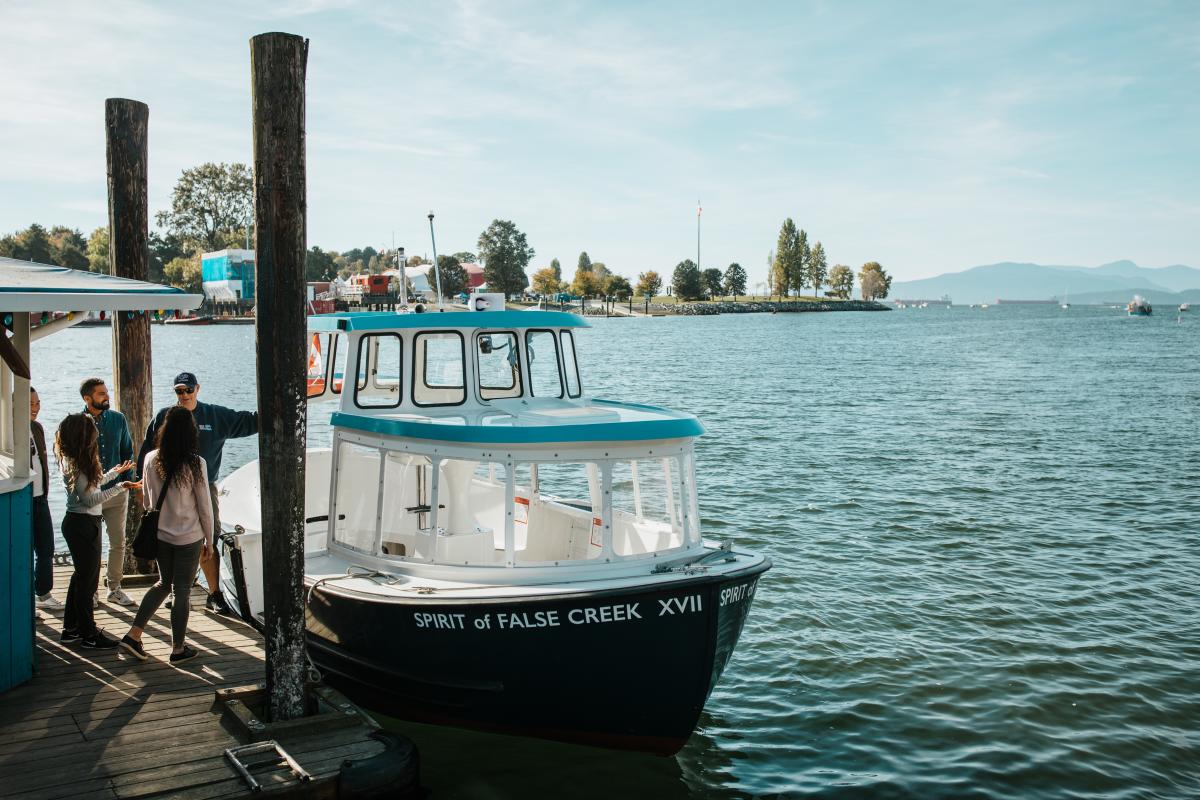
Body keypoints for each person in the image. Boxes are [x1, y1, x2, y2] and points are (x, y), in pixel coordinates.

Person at [138, 372, 257, 616]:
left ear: (197, 389)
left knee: (208, 537)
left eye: (188, 390)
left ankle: (214, 594)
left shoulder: (215, 415)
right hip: (171, 490)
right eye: (179, 391)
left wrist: (280, 409)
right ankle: (174, 590)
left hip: (205, 485)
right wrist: (141, 489)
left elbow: (250, 421)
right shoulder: (165, 416)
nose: (184, 395)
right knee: (168, 537)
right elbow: (147, 453)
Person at [121, 407, 213, 665]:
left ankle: (134, 633)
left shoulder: (151, 458)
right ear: (190, 433)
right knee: (181, 590)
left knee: (164, 583)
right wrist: (210, 540)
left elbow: (149, 499)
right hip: (189, 536)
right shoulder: (196, 463)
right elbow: (205, 507)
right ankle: (178, 648)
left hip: (161, 534)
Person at [54, 413, 138, 648]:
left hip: (79, 523)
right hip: (83, 525)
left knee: (80, 578)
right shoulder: (78, 465)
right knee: (87, 584)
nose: (97, 434)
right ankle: (89, 635)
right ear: (83, 436)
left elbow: (94, 483)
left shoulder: (75, 460)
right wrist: (119, 487)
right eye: (93, 430)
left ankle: (70, 629)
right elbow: (90, 499)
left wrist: (114, 473)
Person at [79, 377, 137, 606]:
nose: (107, 397)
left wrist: (127, 484)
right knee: (91, 545)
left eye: (106, 392)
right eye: (101, 394)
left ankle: (114, 588)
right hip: (90, 495)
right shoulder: (77, 423)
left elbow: (127, 452)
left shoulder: (118, 419)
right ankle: (90, 591)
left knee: (118, 542)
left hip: (116, 492)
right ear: (87, 398)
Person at [30, 388, 62, 610]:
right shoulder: (8, 431)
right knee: (22, 551)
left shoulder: (37, 428)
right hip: (22, 500)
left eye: (38, 403)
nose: (35, 407)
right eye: (30, 403)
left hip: (40, 498)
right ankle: (26, 599)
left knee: (46, 548)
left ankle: (42, 593)